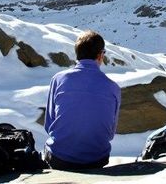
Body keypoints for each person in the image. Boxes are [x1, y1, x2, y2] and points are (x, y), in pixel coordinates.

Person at [44, 30, 121, 170]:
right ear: (100, 55)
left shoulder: (58, 79)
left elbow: (49, 124)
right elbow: (110, 133)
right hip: (97, 159)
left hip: (60, 158)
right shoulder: (113, 87)